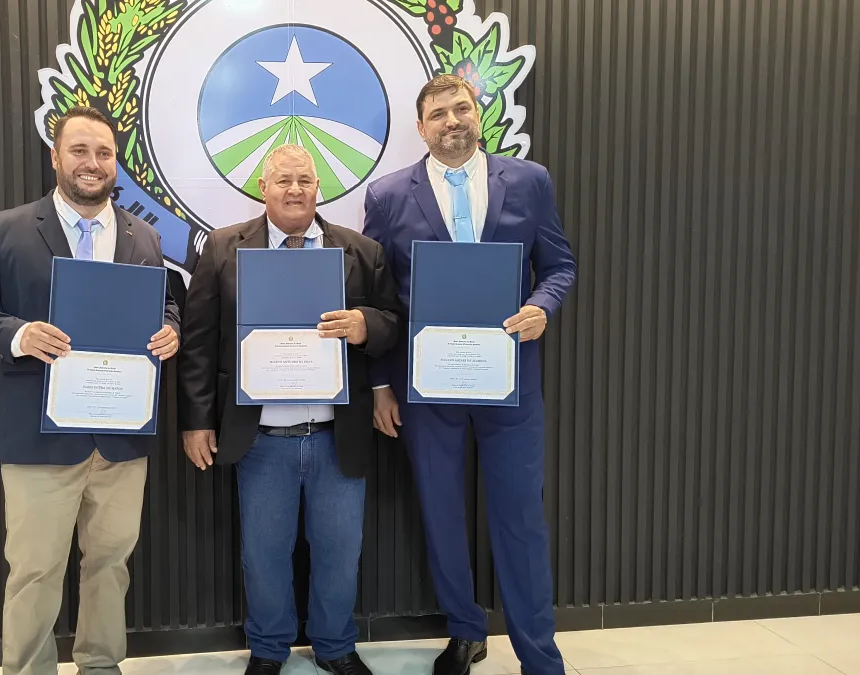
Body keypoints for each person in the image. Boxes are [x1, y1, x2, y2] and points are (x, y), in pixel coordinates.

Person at [0, 106, 180, 675]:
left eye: (103, 152)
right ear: (55, 157)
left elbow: (167, 302)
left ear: (115, 162)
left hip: (121, 439)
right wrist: (20, 334)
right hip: (39, 439)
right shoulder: (7, 229)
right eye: (79, 150)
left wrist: (171, 328)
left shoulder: (144, 235)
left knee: (111, 565)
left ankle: (101, 664)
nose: (91, 163)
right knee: (34, 571)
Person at [362, 75, 576, 675]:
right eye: (438, 114)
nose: (452, 120)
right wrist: (380, 383)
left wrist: (543, 307)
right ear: (421, 127)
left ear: (477, 114)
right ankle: (465, 631)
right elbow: (378, 297)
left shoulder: (529, 181)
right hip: (426, 384)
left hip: (509, 379)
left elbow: (559, 265)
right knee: (441, 510)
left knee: (520, 517)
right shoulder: (387, 195)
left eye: (461, 109)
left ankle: (540, 655)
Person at [178, 145, 400, 675]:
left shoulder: (362, 251)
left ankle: (335, 646)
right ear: (263, 187)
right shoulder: (224, 248)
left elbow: (393, 321)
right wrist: (196, 420)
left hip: (336, 434)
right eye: (283, 180)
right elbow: (199, 343)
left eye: (305, 180)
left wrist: (366, 325)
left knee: (340, 551)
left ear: (319, 187)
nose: (295, 189)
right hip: (260, 438)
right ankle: (269, 648)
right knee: (264, 554)